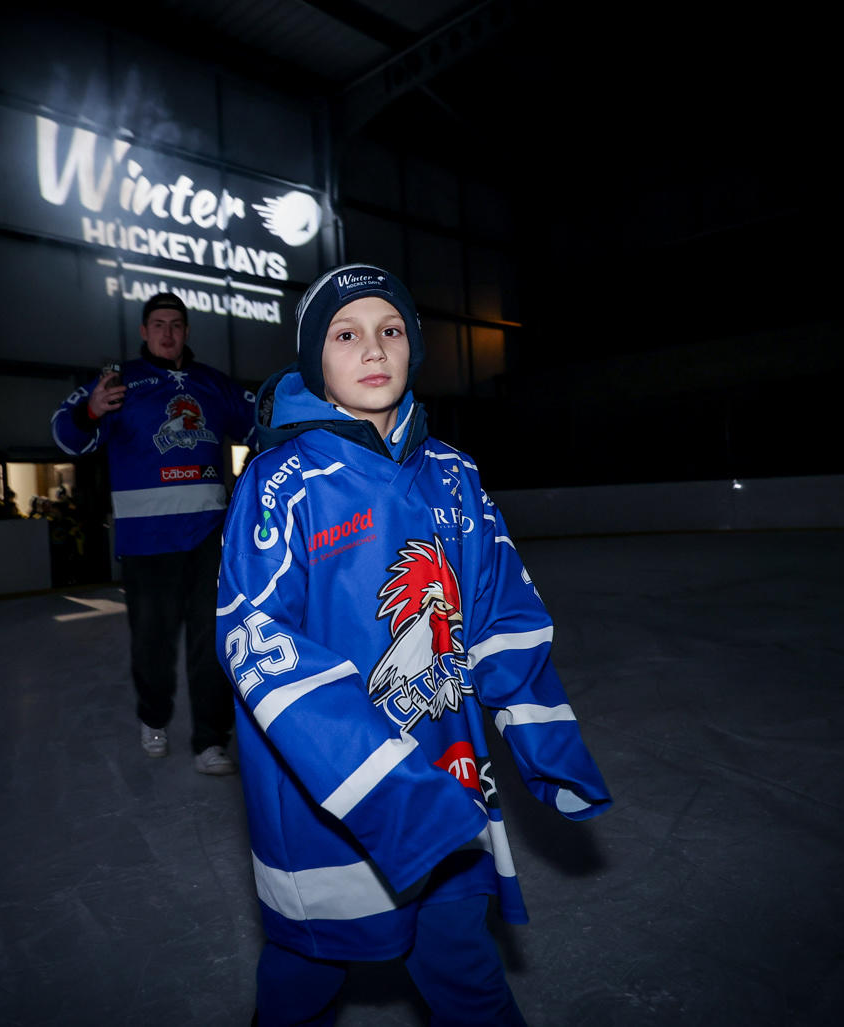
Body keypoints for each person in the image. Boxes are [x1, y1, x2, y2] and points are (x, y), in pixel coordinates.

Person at [217, 265, 612, 1024]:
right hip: (325, 806)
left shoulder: (456, 476)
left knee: (466, 970)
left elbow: (501, 611)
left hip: (448, 781)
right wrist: (387, 787)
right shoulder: (279, 483)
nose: (373, 348)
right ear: (314, 360)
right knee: (303, 980)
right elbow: (257, 640)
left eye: (390, 330)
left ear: (414, 348)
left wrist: (545, 738)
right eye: (346, 334)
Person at [51, 292, 257, 775]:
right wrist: (91, 411)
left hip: (208, 538)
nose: (168, 332)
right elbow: (65, 434)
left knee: (212, 642)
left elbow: (262, 427)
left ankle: (210, 740)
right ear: (144, 332)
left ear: (186, 332)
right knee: (153, 644)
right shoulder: (118, 383)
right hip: (147, 543)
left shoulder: (213, 383)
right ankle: (154, 717)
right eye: (159, 324)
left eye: (177, 324)